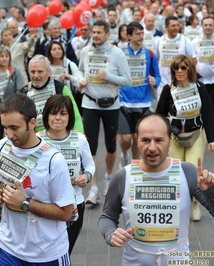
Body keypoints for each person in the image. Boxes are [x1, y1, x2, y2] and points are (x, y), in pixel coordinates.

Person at [99, 113, 214, 265]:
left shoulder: (187, 172)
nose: (152, 147)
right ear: (137, 141)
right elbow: (107, 217)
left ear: (170, 140)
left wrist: (211, 191)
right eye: (145, 140)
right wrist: (111, 234)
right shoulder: (123, 176)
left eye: (159, 140)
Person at [0, 93, 74, 265]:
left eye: (14, 128)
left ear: (32, 123)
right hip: (10, 246)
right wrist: (0, 196)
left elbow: (66, 213)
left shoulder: (54, 160)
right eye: (5, 127)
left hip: (46, 252)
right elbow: (2, 185)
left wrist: (25, 202)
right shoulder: (2, 146)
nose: (9, 134)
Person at [156, 54, 214, 221]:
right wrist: (160, 138)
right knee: (176, 173)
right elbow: (160, 114)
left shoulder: (199, 88)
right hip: (175, 138)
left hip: (196, 135)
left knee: (192, 171)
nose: (179, 71)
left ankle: (195, 203)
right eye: (176, 68)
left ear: (190, 69)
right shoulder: (168, 89)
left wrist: (212, 139)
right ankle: (180, 204)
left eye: (183, 67)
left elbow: (207, 113)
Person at [78, 20, 131, 204]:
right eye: (94, 32)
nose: (96, 36)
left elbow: (127, 80)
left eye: (99, 32)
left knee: (110, 146)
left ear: (108, 34)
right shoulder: (85, 51)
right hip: (90, 104)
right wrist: (80, 81)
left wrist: (108, 77)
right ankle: (93, 189)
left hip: (111, 106)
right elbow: (79, 71)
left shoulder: (117, 53)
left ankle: (108, 177)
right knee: (90, 148)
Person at [37, 94, 95, 255]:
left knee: (65, 252)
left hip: (74, 203)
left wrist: (87, 176)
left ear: (69, 117)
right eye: (53, 113)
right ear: (46, 115)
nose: (57, 118)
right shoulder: (37, 140)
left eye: (63, 114)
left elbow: (90, 164)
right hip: (45, 204)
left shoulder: (80, 139)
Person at [118, 22, 161, 171]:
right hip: (124, 102)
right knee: (126, 138)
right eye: (137, 34)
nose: (141, 36)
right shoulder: (120, 53)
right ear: (128, 36)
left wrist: (155, 81)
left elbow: (158, 76)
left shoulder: (150, 54)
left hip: (143, 103)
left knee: (137, 139)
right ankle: (124, 154)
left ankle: (135, 168)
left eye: (142, 33)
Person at [0, 47, 24, 184]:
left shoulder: (14, 72)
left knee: (14, 143)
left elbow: (21, 91)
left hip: (11, 114)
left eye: (6, 56)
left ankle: (14, 174)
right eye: (1, 56)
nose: (4, 58)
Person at [23, 54, 83, 133]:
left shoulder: (60, 88)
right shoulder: (24, 92)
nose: (36, 75)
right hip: (35, 140)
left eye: (40, 72)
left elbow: (75, 115)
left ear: (49, 72)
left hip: (59, 136)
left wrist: (79, 137)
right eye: (33, 72)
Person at [191, 17, 214, 120]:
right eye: (205, 25)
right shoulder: (195, 41)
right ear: (202, 26)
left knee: (212, 111)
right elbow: (191, 58)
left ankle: (211, 135)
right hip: (199, 80)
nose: (208, 27)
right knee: (199, 109)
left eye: (210, 25)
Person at [46, 41, 83, 115]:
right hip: (51, 100)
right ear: (49, 52)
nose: (57, 51)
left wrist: (70, 77)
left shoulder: (70, 65)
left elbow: (80, 84)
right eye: (54, 49)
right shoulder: (46, 66)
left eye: (59, 49)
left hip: (69, 100)